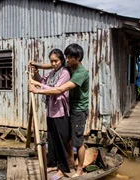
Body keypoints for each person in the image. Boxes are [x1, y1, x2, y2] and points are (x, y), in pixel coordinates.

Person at [29, 43, 89, 178]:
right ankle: (62, 163)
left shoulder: (74, 72)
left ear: (78, 57)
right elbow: (46, 71)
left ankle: (78, 169)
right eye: (66, 57)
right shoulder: (58, 70)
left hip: (75, 109)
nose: (67, 60)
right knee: (57, 139)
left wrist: (37, 88)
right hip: (55, 109)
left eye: (69, 58)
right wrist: (36, 69)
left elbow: (58, 89)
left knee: (76, 141)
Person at [30, 48, 71, 179]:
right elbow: (42, 81)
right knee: (52, 140)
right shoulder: (53, 72)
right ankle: (52, 163)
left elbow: (56, 90)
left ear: (61, 60)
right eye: (51, 61)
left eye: (56, 61)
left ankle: (62, 168)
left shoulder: (65, 73)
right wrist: (36, 73)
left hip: (60, 111)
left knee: (61, 141)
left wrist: (36, 86)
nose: (53, 64)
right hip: (51, 110)